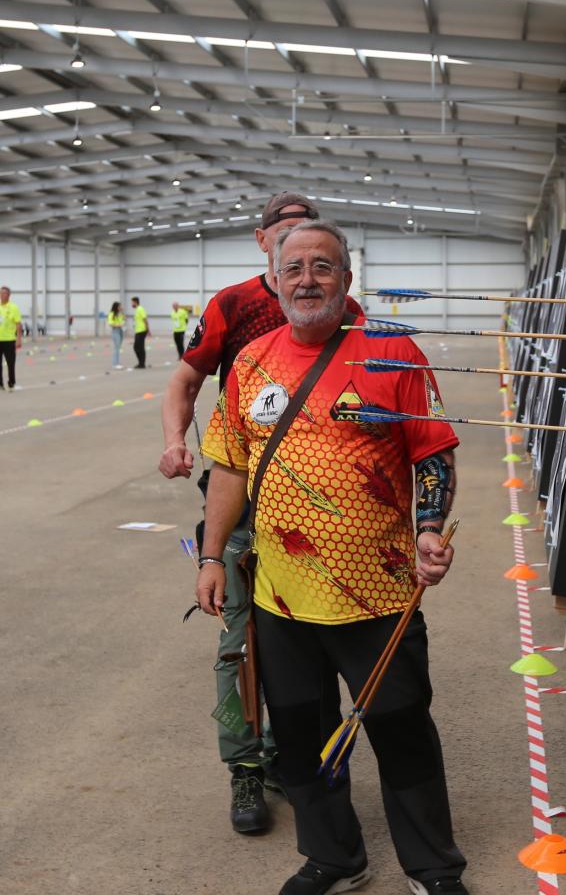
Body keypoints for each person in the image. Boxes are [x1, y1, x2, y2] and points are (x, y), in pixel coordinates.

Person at [195, 219, 469, 895]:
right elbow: (229, 467)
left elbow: (432, 451)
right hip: (280, 599)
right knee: (300, 735)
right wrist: (210, 557)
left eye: (323, 266)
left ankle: (433, 868)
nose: (307, 279)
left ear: (346, 278)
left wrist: (429, 527)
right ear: (276, 279)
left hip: (378, 592)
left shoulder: (392, 353)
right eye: (294, 268)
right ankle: (334, 858)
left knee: (402, 730)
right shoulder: (251, 361)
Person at [159, 193, 362, 836]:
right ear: (262, 240)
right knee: (237, 643)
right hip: (240, 501)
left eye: (310, 234)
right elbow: (184, 380)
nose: (299, 251)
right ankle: (244, 766)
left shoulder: (338, 307)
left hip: (315, 512)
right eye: (285, 234)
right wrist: (176, 441)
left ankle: (287, 755)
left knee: (304, 645)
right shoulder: (232, 304)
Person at [0, 286, 21, 391]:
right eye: (1, 293)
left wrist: (18, 339)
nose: (2, 295)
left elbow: (18, 324)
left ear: (9, 295)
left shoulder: (13, 307)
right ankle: (0, 384)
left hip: (9, 340)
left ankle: (11, 383)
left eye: (4, 293)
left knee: (10, 363)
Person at [131, 296, 150, 368]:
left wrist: (148, 330)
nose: (131, 304)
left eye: (132, 302)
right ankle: (141, 363)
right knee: (136, 347)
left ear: (135, 302)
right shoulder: (137, 310)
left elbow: (145, 319)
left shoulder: (140, 309)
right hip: (138, 330)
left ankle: (142, 363)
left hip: (142, 330)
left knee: (140, 347)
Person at [108, 301, 125, 369]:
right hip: (115, 331)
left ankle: (117, 363)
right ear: (116, 307)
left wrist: (122, 312)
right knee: (116, 348)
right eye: (119, 306)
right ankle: (115, 364)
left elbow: (124, 319)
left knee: (118, 347)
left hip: (121, 330)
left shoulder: (119, 313)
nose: (121, 307)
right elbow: (110, 323)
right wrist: (119, 325)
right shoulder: (111, 314)